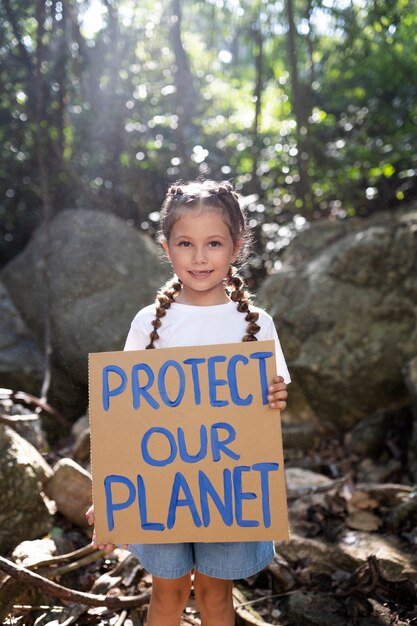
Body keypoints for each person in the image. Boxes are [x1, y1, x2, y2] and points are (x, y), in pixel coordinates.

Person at [86, 179, 290, 626]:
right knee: (168, 593)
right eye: (185, 243)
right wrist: (108, 495)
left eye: (213, 243)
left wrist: (275, 396)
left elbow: (270, 405)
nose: (199, 257)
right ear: (167, 248)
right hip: (163, 489)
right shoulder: (148, 324)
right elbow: (118, 415)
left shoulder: (256, 323)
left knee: (217, 596)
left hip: (225, 491)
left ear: (236, 247)